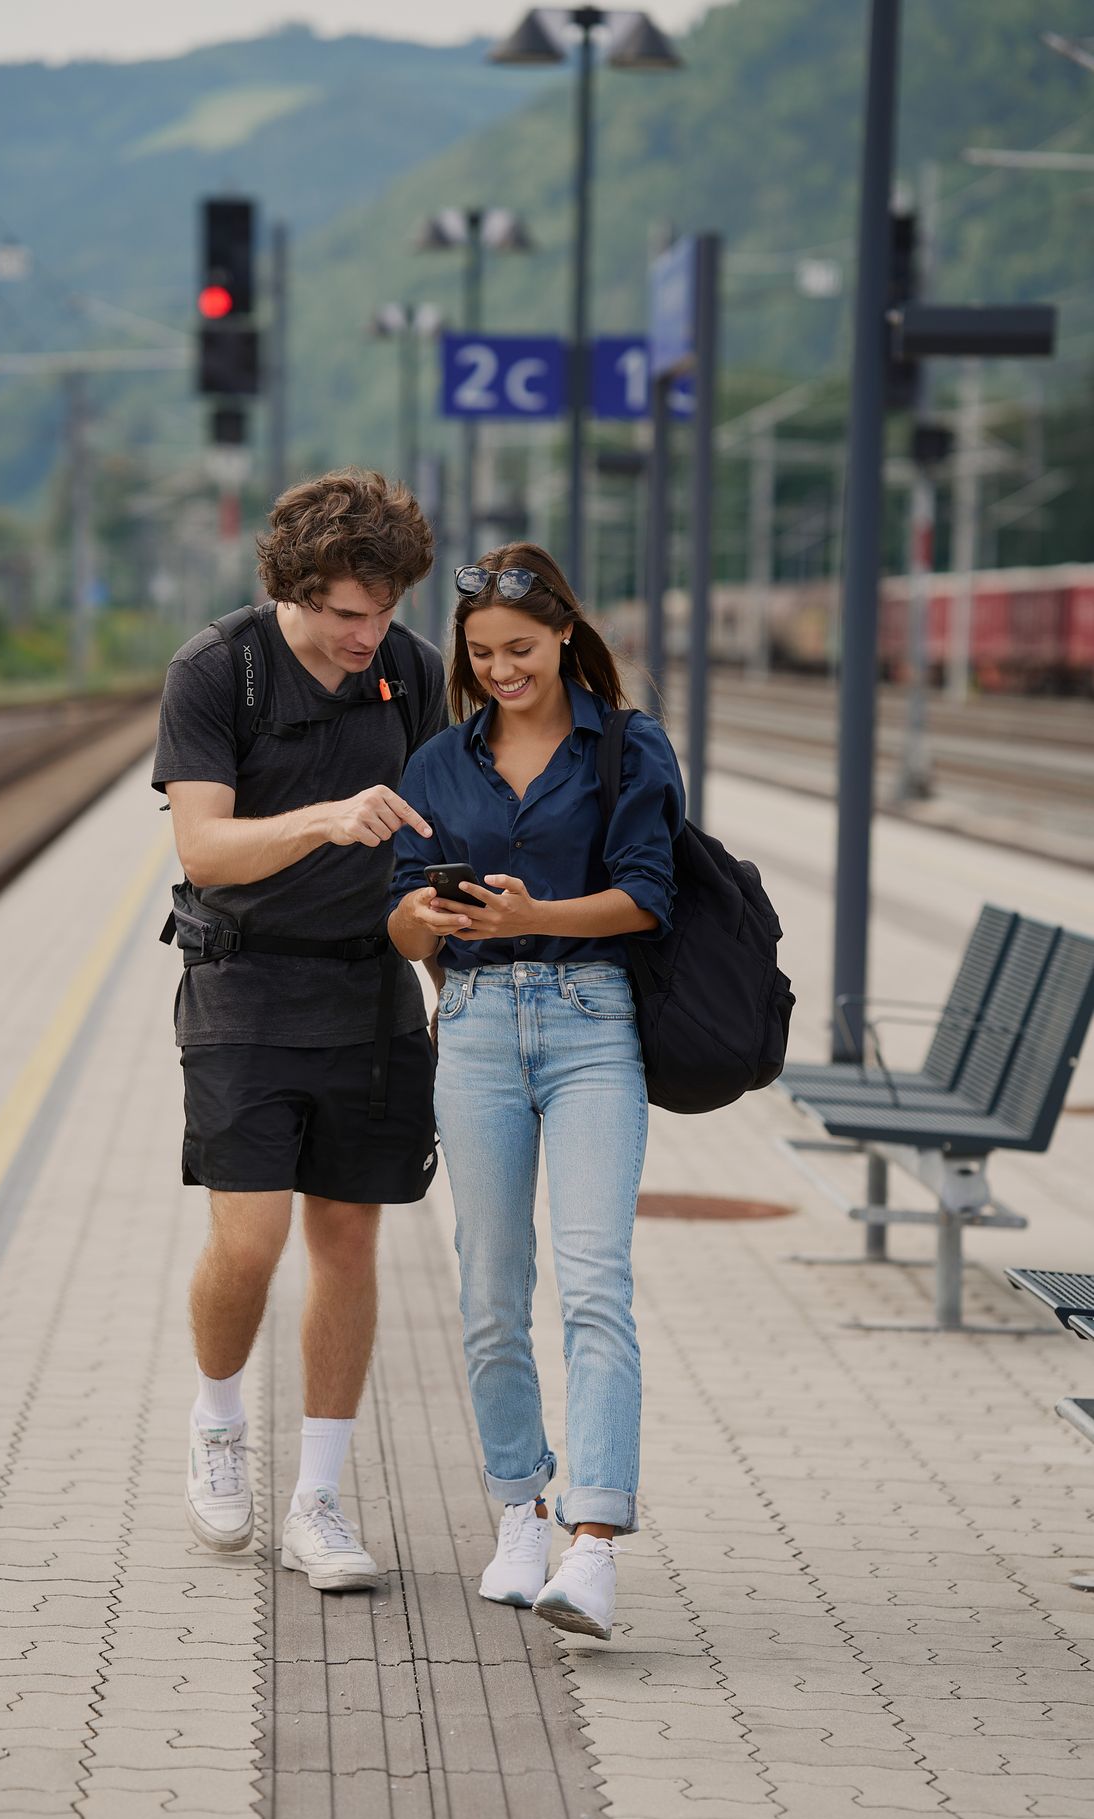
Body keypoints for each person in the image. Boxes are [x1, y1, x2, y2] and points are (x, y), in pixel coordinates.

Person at [154, 468, 447, 1591]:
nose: (369, 634)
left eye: (384, 610)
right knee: (250, 1243)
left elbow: (438, 822)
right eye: (345, 613)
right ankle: (220, 1421)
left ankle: (319, 1496)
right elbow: (204, 852)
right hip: (245, 989)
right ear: (292, 589)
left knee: (350, 1244)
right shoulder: (215, 669)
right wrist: (327, 820)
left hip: (371, 993)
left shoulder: (411, 672)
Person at [388, 543, 684, 1640]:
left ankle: (593, 1543)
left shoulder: (629, 748)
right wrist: (435, 918)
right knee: (489, 1290)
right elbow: (396, 916)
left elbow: (647, 897)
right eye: (483, 654)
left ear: (564, 633)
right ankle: (519, 1509)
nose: (504, 669)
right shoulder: (437, 764)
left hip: (592, 1024)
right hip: (470, 1032)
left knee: (596, 1280)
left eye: (521, 648)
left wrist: (534, 916)